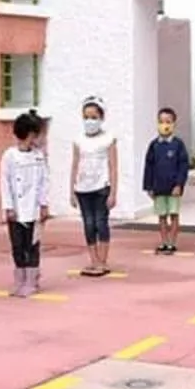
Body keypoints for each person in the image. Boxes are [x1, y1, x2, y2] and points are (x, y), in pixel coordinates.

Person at [0, 112, 50, 296]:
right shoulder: (9, 156)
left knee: (33, 245)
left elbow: (44, 181)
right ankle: (19, 280)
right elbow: (4, 182)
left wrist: (44, 204)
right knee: (18, 246)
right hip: (16, 210)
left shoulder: (38, 157)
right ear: (30, 134)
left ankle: (31, 280)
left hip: (33, 209)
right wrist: (8, 207)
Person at [71, 96, 118, 276]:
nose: (89, 121)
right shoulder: (78, 140)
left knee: (100, 222)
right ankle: (94, 260)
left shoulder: (108, 139)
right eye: (86, 117)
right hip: (83, 188)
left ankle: (103, 261)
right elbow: (75, 164)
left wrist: (113, 192)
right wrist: (71, 190)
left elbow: (113, 166)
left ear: (101, 117)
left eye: (93, 117)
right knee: (88, 224)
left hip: (101, 187)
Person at [143, 107, 190, 254]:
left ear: (174, 123)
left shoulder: (178, 144)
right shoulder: (154, 145)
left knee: (174, 214)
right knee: (162, 216)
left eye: (168, 122)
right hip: (158, 187)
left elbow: (183, 166)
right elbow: (149, 166)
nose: (164, 125)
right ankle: (164, 241)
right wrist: (148, 186)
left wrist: (179, 184)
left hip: (173, 188)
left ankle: (172, 243)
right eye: (161, 121)